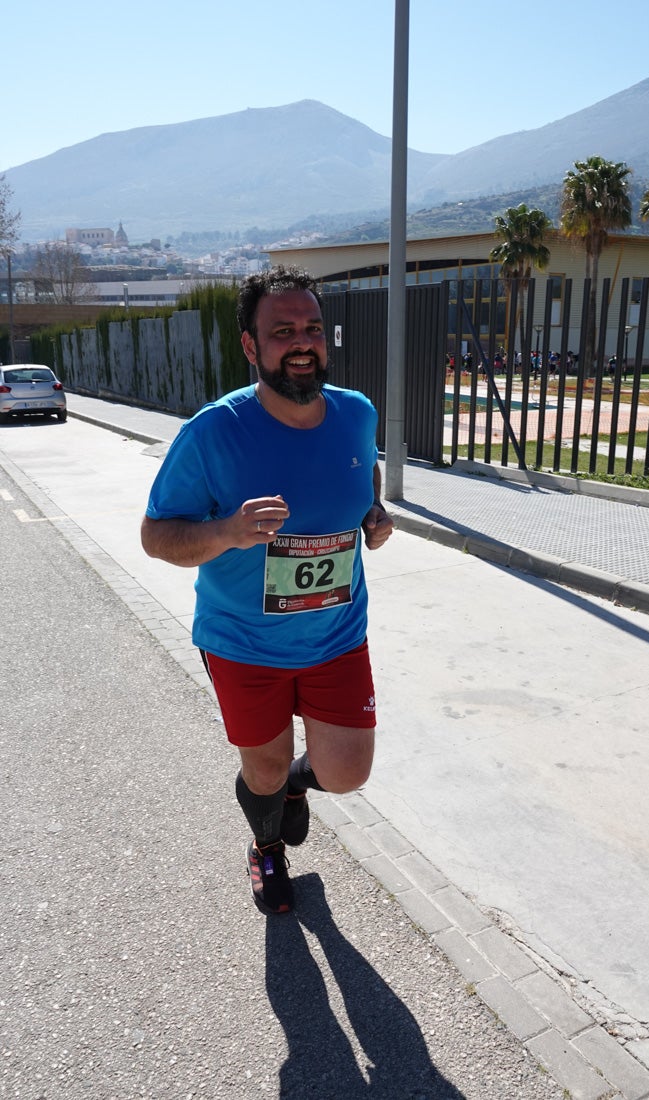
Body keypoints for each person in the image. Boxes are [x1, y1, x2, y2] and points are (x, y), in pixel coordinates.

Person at [140, 265, 394, 916]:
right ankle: (267, 848)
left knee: (346, 773)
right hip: (244, 643)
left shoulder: (357, 413)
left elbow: (364, 472)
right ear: (251, 346)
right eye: (282, 331)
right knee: (265, 768)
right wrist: (225, 531)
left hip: (336, 635)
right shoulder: (212, 432)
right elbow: (155, 536)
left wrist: (373, 513)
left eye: (311, 327)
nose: (301, 341)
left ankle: (295, 788)